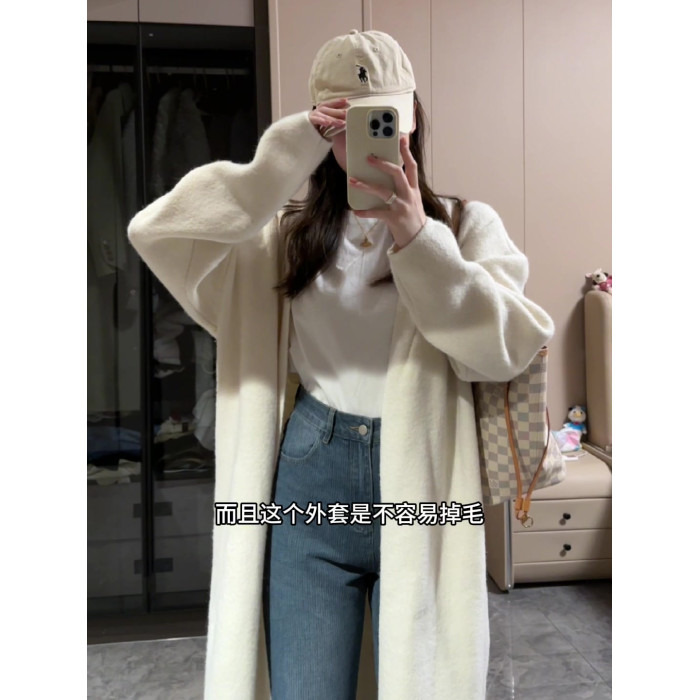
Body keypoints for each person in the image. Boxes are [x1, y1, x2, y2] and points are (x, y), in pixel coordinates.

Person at [127, 28, 554, 700]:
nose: (372, 140)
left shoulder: (465, 227)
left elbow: (506, 347)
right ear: (322, 128)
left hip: (424, 487)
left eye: (386, 120)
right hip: (310, 476)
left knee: (421, 684)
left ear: (412, 121)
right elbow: (158, 232)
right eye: (346, 124)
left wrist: (418, 239)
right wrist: (284, 156)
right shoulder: (282, 234)